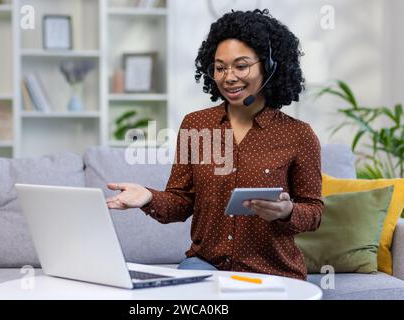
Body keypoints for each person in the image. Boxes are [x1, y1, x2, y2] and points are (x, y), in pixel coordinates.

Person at [106, 9, 324, 280]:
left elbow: (314, 212)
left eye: (241, 66)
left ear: (269, 66)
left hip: (272, 271)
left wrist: (287, 211)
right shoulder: (196, 125)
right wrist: (148, 197)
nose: (228, 77)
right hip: (206, 266)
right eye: (220, 68)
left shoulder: (298, 135)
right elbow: (181, 202)